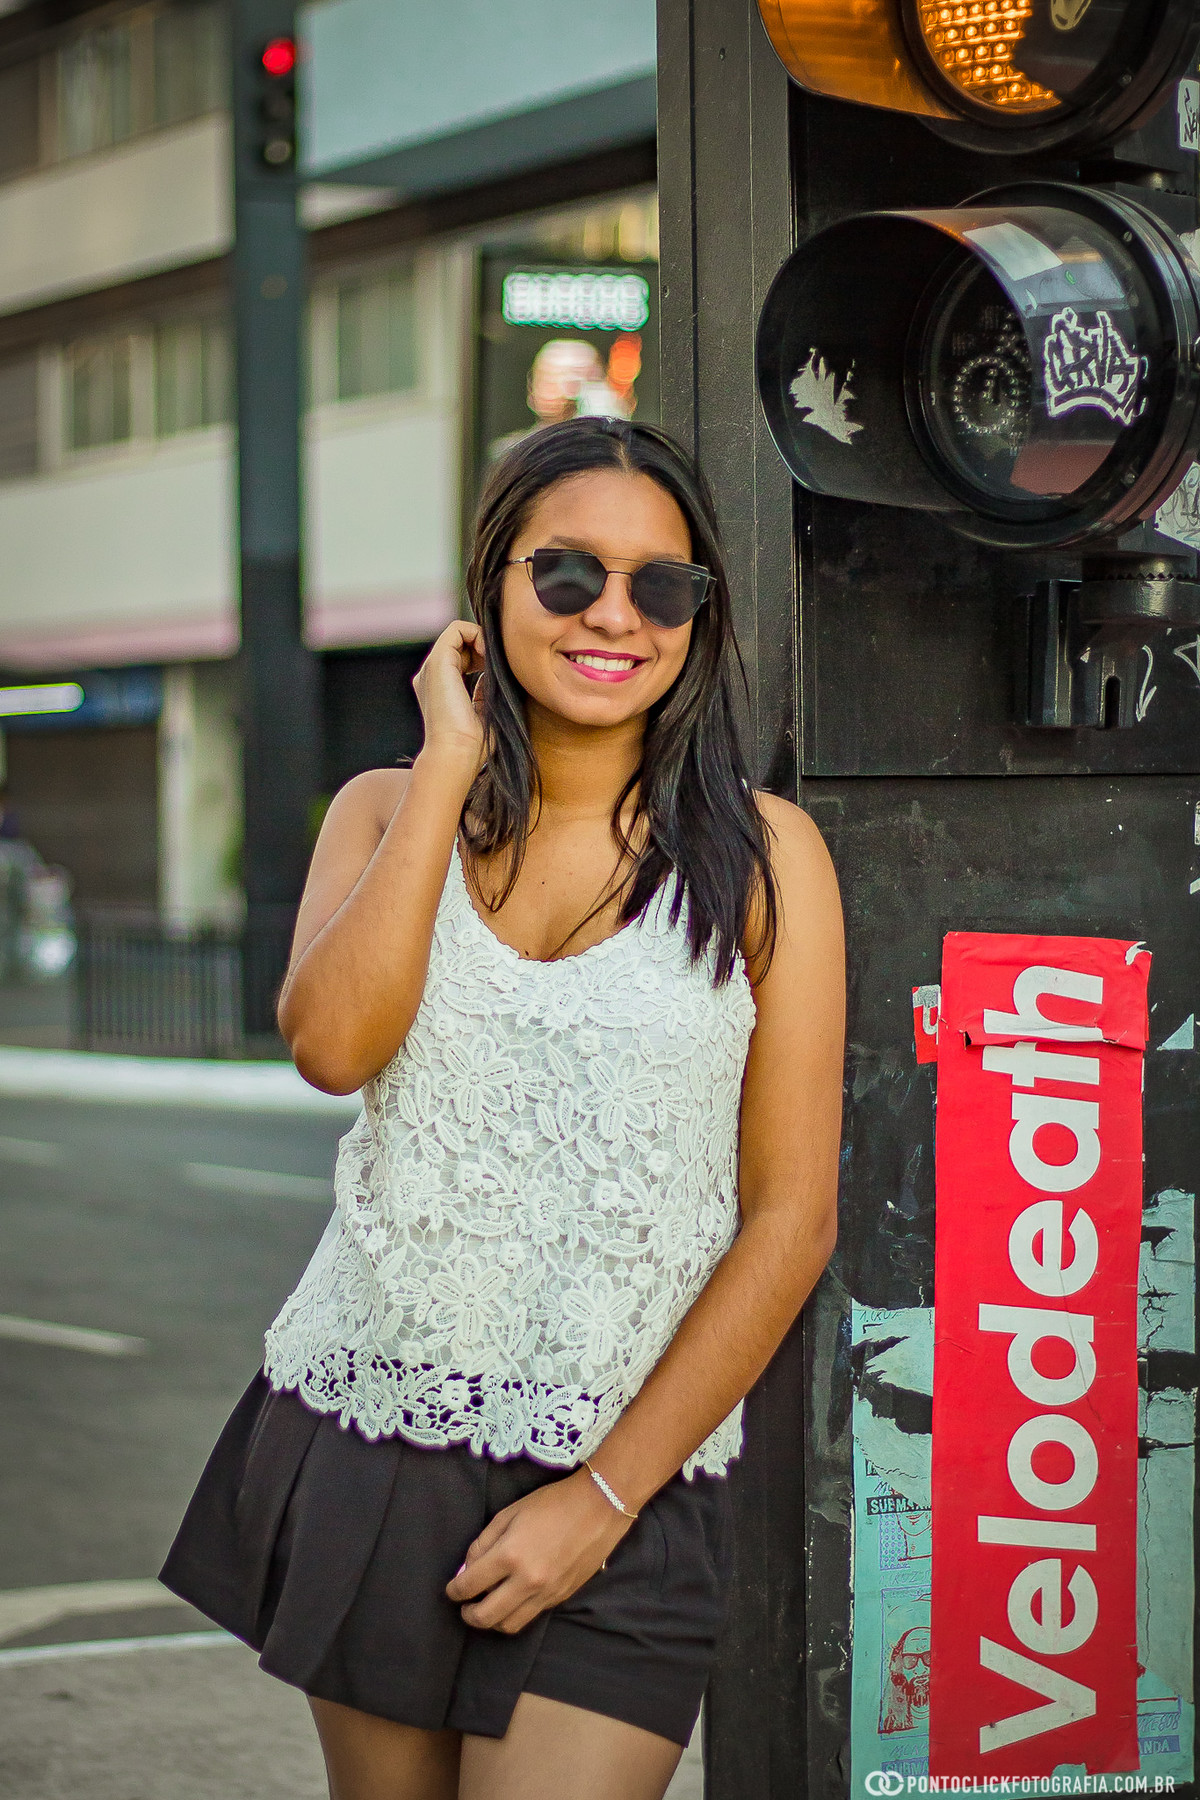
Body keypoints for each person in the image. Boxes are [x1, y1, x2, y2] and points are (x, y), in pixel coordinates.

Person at [161, 417, 845, 1800]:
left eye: (664, 586)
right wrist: (446, 770)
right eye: (569, 574)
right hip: (370, 1445)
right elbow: (333, 1046)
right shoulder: (381, 810)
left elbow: (791, 1218)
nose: (616, 616)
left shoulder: (768, 859)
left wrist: (600, 1504)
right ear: (492, 590)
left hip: (626, 1478)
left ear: (699, 618)